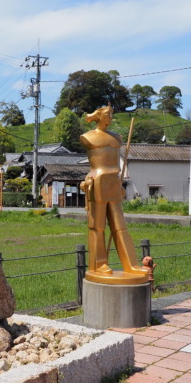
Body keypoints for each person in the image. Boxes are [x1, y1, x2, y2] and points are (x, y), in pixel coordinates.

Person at [79, 105, 148, 285]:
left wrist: (120, 185)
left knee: (120, 226)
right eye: (107, 114)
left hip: (114, 181)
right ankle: (99, 264)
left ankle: (131, 264)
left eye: (111, 114)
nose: (110, 117)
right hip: (97, 181)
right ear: (99, 116)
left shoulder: (116, 137)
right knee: (98, 227)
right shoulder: (88, 137)